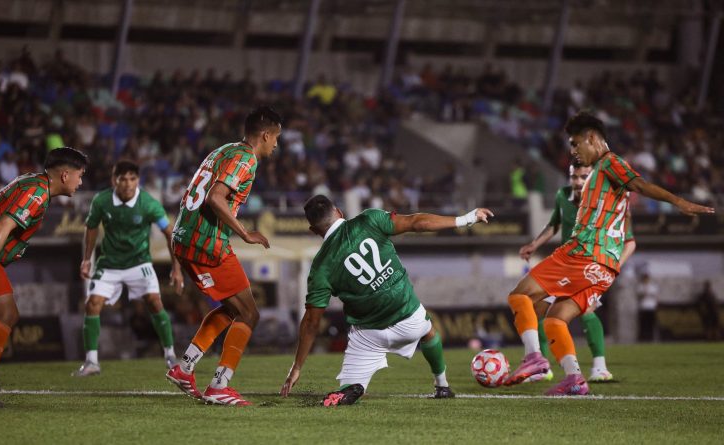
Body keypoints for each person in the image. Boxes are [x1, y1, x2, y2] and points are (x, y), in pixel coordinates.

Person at [504, 112, 714, 396]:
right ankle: (574, 379)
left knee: (520, 296)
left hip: (582, 253)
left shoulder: (608, 162)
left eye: (576, 144)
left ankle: (533, 359)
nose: (574, 151)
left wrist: (677, 201)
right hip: (605, 269)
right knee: (555, 319)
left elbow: (639, 183)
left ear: (592, 138)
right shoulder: (599, 175)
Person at [280, 195, 494, 406]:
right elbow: (416, 222)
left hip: (368, 336)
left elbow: (311, 322)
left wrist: (297, 367)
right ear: (339, 212)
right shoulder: (369, 219)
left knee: (349, 388)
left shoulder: (320, 268)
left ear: (314, 230)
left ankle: (351, 390)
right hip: (408, 318)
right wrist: (465, 219)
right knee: (428, 331)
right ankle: (442, 386)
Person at [0, 147, 87, 407]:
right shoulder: (36, 193)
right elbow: (3, 226)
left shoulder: (33, 183)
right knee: (8, 315)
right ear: (66, 175)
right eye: (80, 176)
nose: (81, 183)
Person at [165, 106, 280, 406]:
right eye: (275, 138)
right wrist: (245, 233)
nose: (276, 145)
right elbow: (215, 197)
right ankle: (219, 386)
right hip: (207, 243)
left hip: (184, 237)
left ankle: (185, 368)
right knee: (249, 313)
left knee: (233, 308)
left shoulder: (224, 150)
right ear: (265, 135)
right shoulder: (246, 158)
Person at [519, 160, 636, 382]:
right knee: (538, 311)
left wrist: (612, 267)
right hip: (565, 266)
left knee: (587, 311)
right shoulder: (563, 196)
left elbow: (629, 242)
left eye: (584, 177)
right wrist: (534, 244)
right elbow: (555, 224)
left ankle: (600, 367)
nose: (578, 181)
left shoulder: (606, 202)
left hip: (593, 267)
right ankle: (541, 367)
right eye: (574, 177)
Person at [73, 160, 183, 377]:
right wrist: (87, 259)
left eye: (132, 178)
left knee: (154, 301)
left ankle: (170, 355)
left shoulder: (148, 203)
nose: (127, 183)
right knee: (92, 304)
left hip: (139, 262)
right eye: (123, 179)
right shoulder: (102, 201)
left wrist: (176, 269)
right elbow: (91, 227)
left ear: (138, 180)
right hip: (109, 264)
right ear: (115, 180)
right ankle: (91, 361)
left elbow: (170, 233)